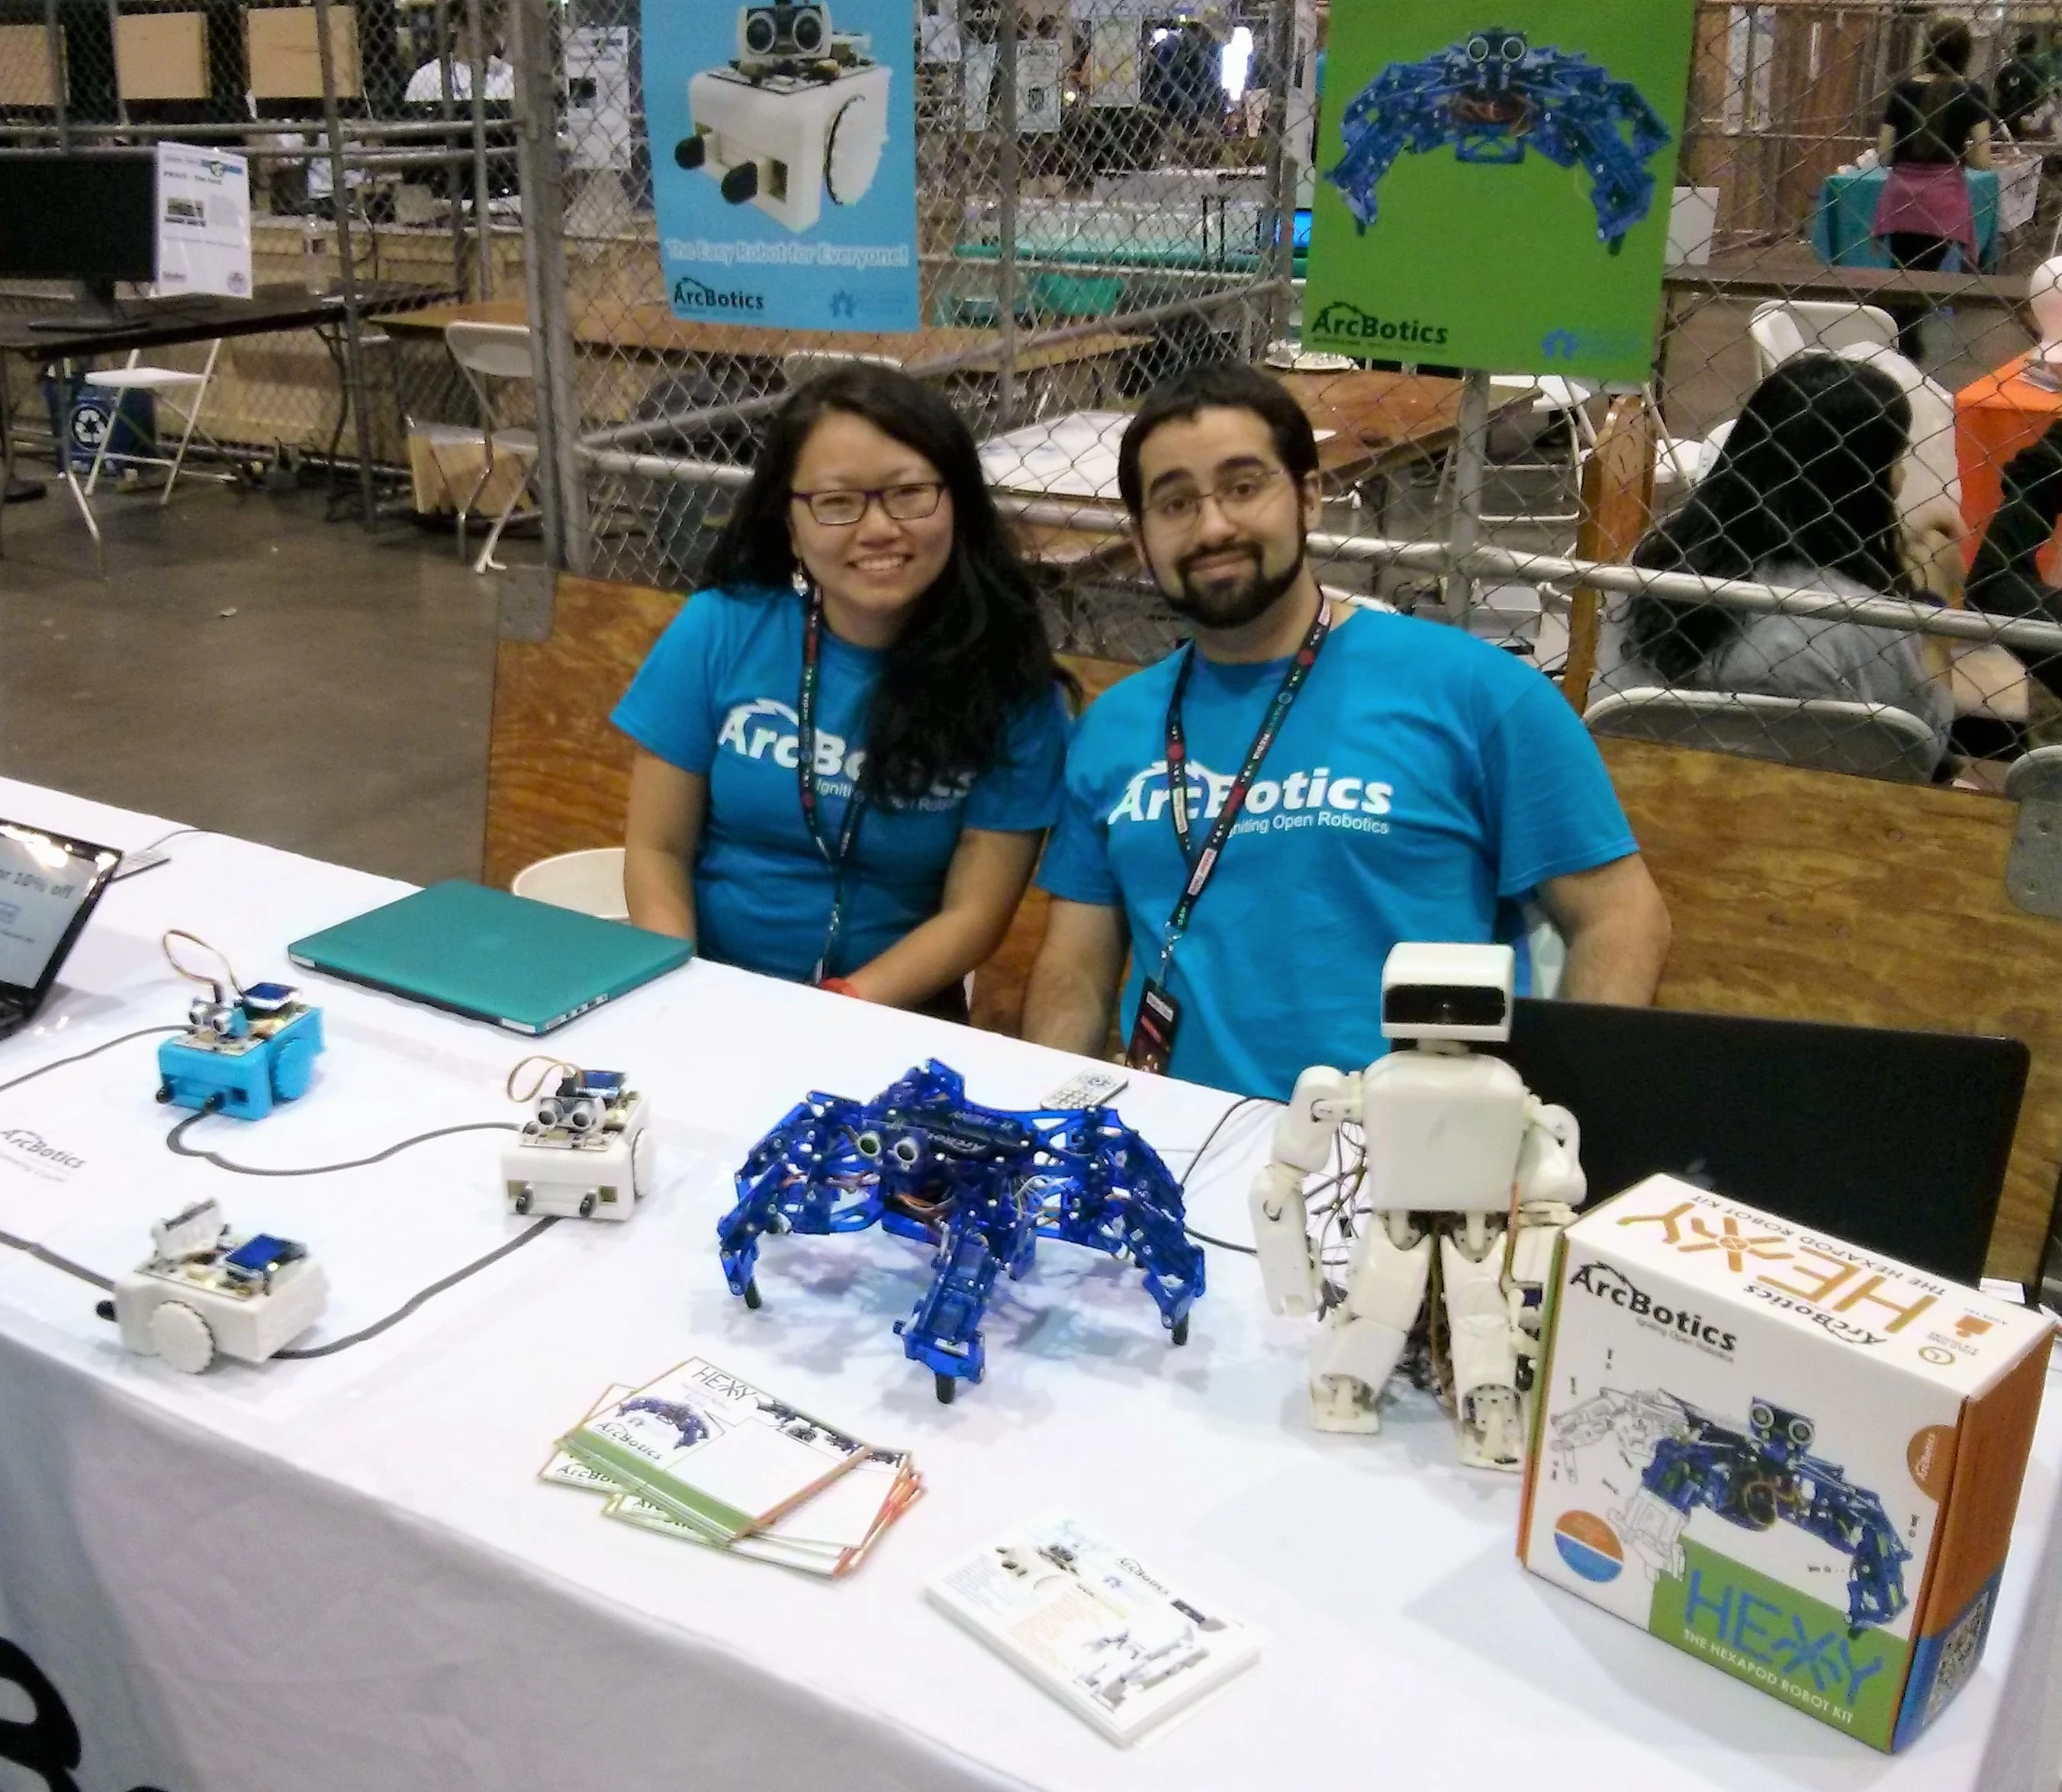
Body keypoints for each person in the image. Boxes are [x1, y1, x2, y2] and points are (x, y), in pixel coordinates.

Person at [1021, 362, 1671, 1102]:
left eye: (1243, 486)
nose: (1212, 526)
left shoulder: (1477, 693)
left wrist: (1548, 1131)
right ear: (1141, 541)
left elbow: (1621, 918)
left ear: (1307, 497)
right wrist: (1046, 1136)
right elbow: (1074, 970)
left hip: (1407, 1159)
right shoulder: (1112, 729)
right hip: (1181, 1150)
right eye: (1174, 504)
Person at [614, 365, 1070, 1018]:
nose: (878, 527)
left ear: (958, 504)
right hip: (707, 992)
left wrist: (842, 1009)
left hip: (890, 1012)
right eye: (837, 502)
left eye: (909, 493)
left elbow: (974, 915)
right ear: (792, 523)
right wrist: (681, 988)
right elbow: (657, 848)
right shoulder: (720, 628)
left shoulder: (1011, 683)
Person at [1625, 354, 1954, 769]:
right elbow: (1920, 752)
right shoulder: (1867, 620)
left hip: (1641, 790)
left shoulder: (1652, 568)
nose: (1901, 477)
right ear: (1860, 479)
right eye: (1894, 461)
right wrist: (1935, 615)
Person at [1873, 16, 1993, 360]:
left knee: (1902, 273)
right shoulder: (1972, 93)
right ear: (1966, 54)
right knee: (1924, 278)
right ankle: (1905, 343)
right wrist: (1959, 150)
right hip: (1942, 198)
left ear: (1927, 48)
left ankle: (1895, 339)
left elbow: (1883, 154)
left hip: (1902, 197)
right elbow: (1983, 160)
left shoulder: (1903, 90)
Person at [1994, 32, 2050, 140]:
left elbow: (1998, 90)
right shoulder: (2037, 70)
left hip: (2005, 116)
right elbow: (2041, 94)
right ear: (2033, 48)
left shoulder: (2006, 68)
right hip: (2028, 117)